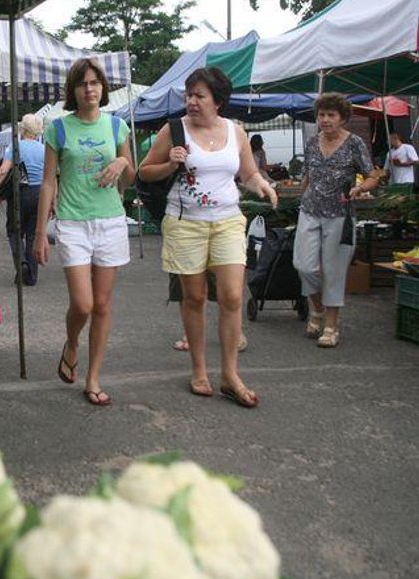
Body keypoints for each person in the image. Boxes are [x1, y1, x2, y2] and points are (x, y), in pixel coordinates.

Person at [139, 67, 277, 408]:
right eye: (189, 95)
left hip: (227, 221)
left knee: (232, 296)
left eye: (200, 95)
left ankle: (230, 375)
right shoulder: (173, 130)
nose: (192, 101)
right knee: (195, 297)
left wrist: (262, 185)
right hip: (186, 223)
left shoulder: (236, 131)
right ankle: (199, 371)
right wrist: (170, 164)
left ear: (218, 101)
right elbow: (144, 172)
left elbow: (248, 173)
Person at [33, 58, 135, 406]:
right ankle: (72, 342)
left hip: (110, 221)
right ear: (73, 90)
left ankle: (93, 378)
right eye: (82, 83)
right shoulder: (58, 129)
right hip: (73, 222)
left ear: (103, 88)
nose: (89, 89)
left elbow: (131, 177)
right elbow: (48, 182)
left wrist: (122, 161)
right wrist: (39, 234)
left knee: (102, 305)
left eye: (94, 82)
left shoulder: (117, 126)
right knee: (83, 303)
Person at [293, 93, 380, 348]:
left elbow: (372, 175)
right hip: (309, 210)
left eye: (331, 115)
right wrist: (298, 197)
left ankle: (331, 326)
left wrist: (360, 188)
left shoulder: (354, 143)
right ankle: (318, 309)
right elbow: (307, 175)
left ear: (343, 118)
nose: (325, 120)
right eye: (322, 115)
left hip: (340, 215)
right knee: (303, 266)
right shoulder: (312, 142)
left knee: (333, 272)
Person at [0, 113, 45, 286]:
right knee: (32, 234)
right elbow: (51, 177)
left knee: (14, 231)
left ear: (22, 129)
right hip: (39, 193)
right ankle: (32, 276)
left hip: (19, 193)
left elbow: (3, 171)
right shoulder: (44, 149)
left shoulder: (15, 147)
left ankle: (21, 262)